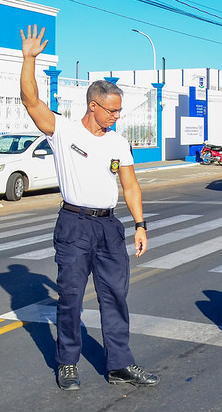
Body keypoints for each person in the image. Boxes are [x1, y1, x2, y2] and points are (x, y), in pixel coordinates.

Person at [19, 25, 159, 390]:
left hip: (109, 227)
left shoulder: (118, 142)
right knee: (70, 297)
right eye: (111, 110)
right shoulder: (63, 131)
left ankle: (120, 364)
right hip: (74, 225)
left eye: (120, 111)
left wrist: (140, 225)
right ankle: (67, 361)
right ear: (93, 106)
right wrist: (29, 60)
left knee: (116, 297)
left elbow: (129, 184)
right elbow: (31, 102)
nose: (117, 116)